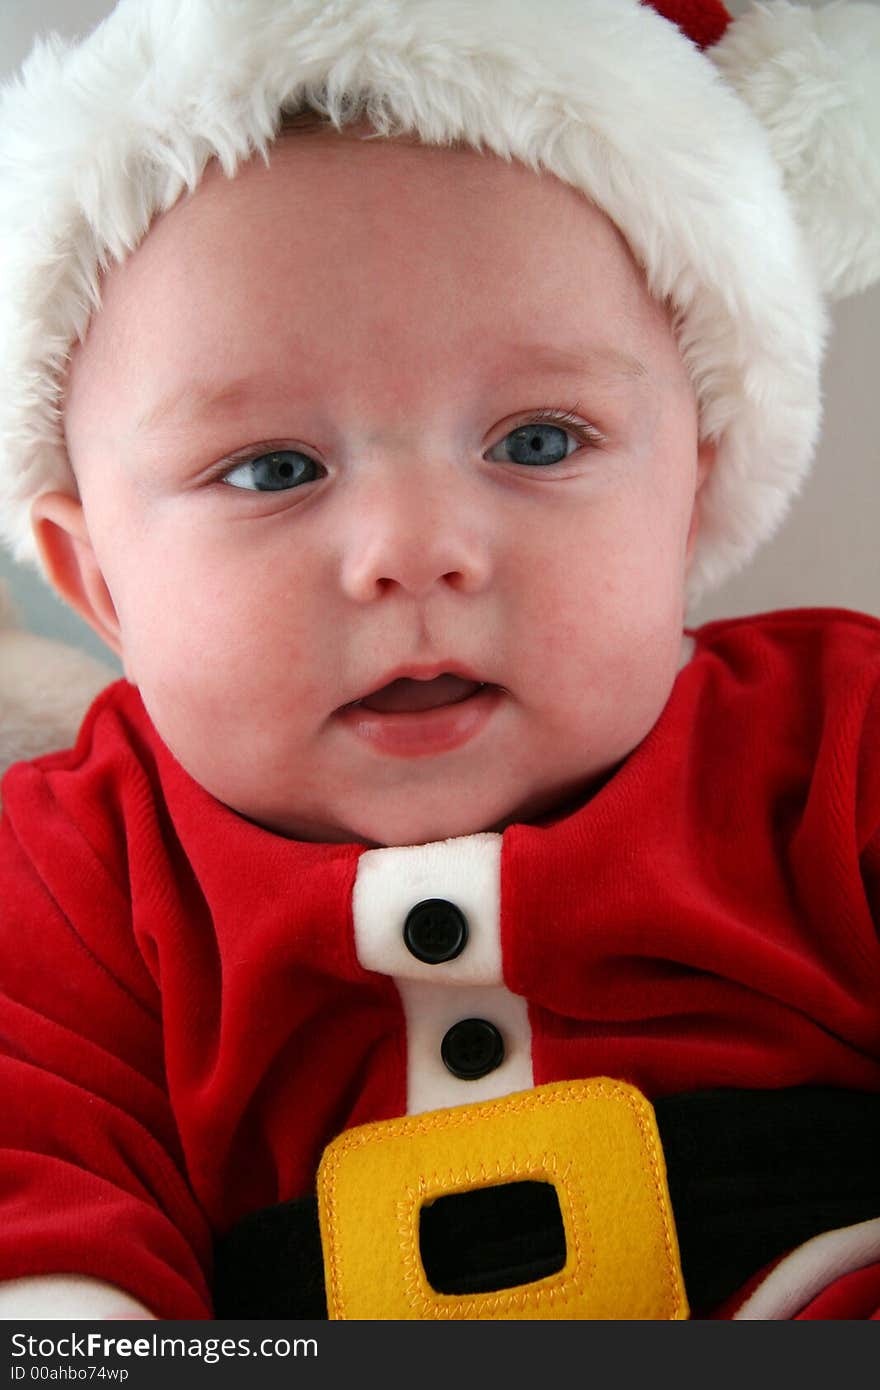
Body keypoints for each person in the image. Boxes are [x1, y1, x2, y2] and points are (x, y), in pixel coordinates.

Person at [0, 0, 878, 1321]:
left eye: (537, 442)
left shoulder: (840, 748)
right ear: (99, 583)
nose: (415, 553)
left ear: (692, 494)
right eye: (274, 469)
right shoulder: (65, 878)